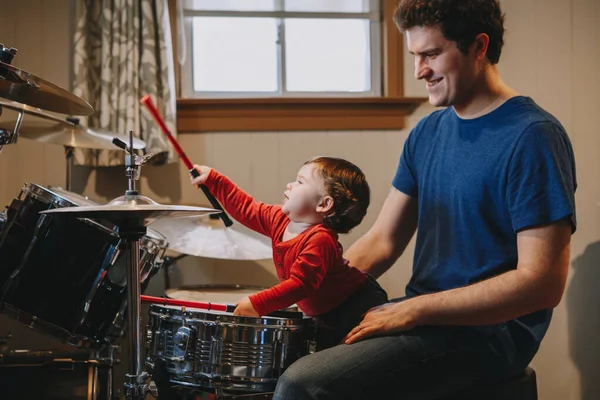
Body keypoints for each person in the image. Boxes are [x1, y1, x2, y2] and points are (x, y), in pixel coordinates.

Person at [272, 0, 577, 399]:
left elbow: (541, 285)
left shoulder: (532, 137)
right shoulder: (428, 132)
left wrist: (412, 310)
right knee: (287, 350)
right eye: (416, 56)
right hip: (426, 316)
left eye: (432, 54)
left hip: (489, 334)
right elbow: (383, 241)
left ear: (479, 47)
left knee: (303, 384)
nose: (420, 71)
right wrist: (310, 294)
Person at [190, 156, 388, 350]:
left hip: (353, 307)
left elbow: (300, 285)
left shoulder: (320, 240)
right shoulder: (279, 219)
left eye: (300, 181)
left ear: (324, 204)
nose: (290, 184)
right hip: (325, 311)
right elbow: (246, 208)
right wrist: (214, 180)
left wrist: (257, 303)